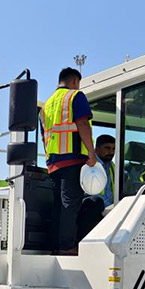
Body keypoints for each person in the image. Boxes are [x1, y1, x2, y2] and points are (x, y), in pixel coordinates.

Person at [41, 67, 97, 255]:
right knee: (70, 204)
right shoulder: (75, 96)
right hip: (73, 159)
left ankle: (56, 245)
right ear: (75, 81)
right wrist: (91, 152)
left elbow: (46, 135)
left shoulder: (46, 105)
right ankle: (66, 247)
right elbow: (82, 123)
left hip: (53, 163)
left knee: (59, 205)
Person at [94, 134, 116, 207]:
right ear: (96, 149)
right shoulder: (90, 165)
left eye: (113, 149)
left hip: (110, 208)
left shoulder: (113, 167)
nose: (111, 152)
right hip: (93, 208)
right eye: (107, 148)